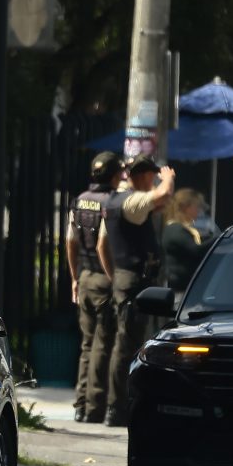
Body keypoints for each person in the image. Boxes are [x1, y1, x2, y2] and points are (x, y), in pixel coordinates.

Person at [96, 155, 176, 427]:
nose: (154, 180)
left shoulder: (115, 203)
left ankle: (120, 406)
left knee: (128, 343)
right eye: (152, 176)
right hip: (134, 282)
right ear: (142, 176)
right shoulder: (132, 200)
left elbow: (102, 247)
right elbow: (162, 194)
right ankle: (117, 409)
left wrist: (115, 275)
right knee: (127, 346)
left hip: (126, 279)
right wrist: (168, 179)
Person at [66, 151, 120, 423]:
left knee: (87, 344)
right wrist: (113, 279)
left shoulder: (79, 201)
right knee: (102, 343)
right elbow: (102, 244)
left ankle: (80, 404)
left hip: (84, 277)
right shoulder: (110, 202)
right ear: (113, 175)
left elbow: (71, 241)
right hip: (102, 278)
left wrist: (75, 278)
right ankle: (95, 407)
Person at [161, 187, 211, 293]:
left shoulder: (185, 229)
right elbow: (196, 250)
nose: (199, 210)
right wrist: (220, 238)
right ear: (185, 207)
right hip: (181, 291)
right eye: (197, 206)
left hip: (189, 288)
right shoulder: (175, 229)